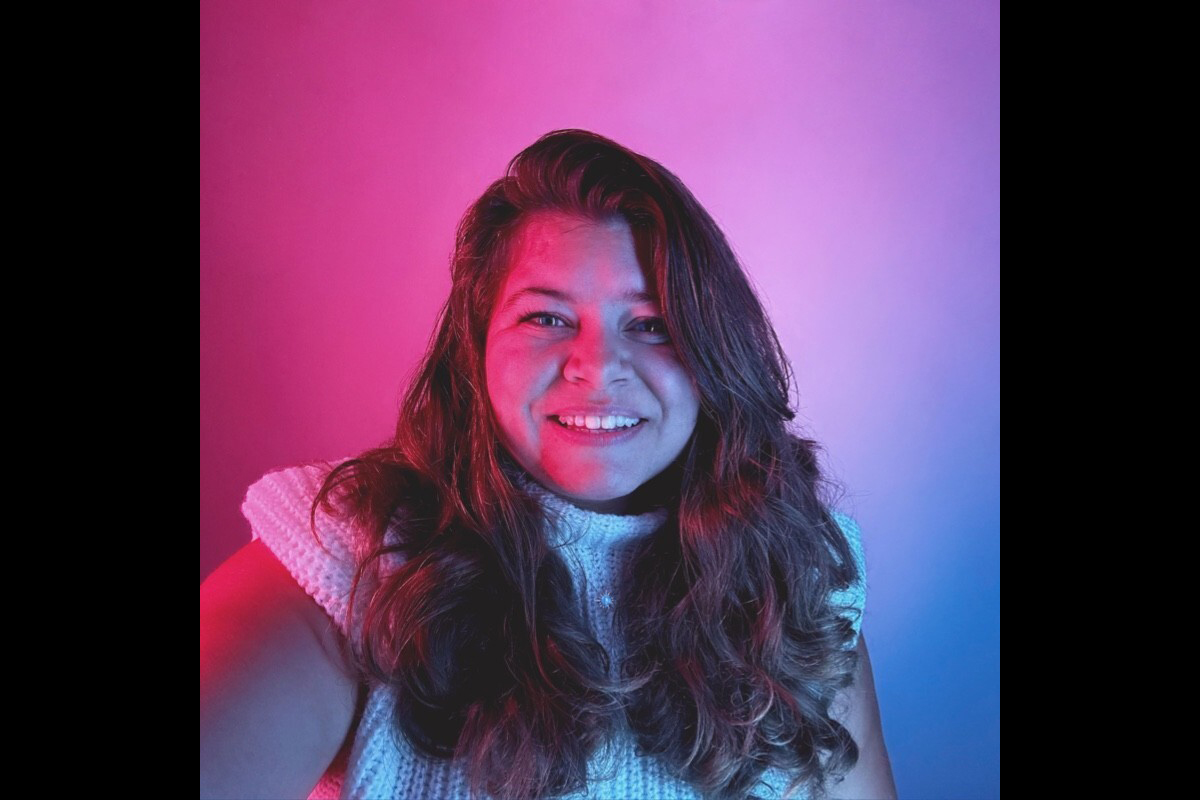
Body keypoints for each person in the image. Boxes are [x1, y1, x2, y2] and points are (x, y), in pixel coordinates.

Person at [201, 130, 897, 800]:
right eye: (546, 319)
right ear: (475, 348)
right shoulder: (350, 559)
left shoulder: (797, 590)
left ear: (715, 358)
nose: (596, 368)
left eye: (651, 324)